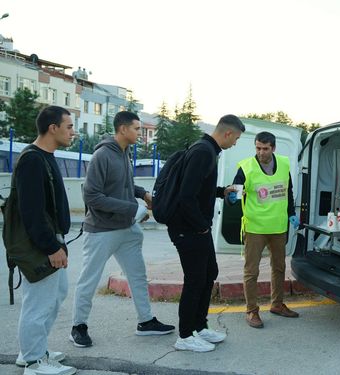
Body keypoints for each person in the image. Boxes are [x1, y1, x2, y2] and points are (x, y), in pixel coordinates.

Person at [70, 111, 174, 348]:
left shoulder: (124, 153)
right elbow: (92, 195)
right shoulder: (102, 155)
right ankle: (78, 326)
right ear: (123, 129)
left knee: (138, 276)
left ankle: (146, 322)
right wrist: (132, 209)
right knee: (89, 279)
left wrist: (142, 193)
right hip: (101, 230)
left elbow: (122, 184)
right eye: (137, 129)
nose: (140, 133)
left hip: (127, 230)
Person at [167, 114, 245, 352]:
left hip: (197, 228)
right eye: (236, 138)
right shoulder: (203, 152)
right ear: (227, 133)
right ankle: (185, 336)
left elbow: (200, 188)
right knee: (195, 280)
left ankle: (200, 327)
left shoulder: (207, 150)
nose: (235, 144)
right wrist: (201, 225)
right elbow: (186, 196)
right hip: (189, 229)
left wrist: (222, 191)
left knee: (209, 272)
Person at [15, 106, 77, 375]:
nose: (72, 132)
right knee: (39, 301)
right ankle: (33, 362)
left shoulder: (46, 157)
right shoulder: (32, 159)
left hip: (54, 239)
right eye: (69, 126)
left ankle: (32, 350)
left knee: (55, 295)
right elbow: (32, 211)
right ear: (53, 128)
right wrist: (51, 246)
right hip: (42, 243)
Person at [228, 131, 300, 329]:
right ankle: (251, 310)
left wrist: (291, 212)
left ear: (273, 148)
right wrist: (231, 197)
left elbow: (288, 190)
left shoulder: (284, 164)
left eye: (265, 148)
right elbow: (236, 190)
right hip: (255, 227)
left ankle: (277, 305)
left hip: (278, 226)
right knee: (251, 271)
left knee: (279, 268)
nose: (261, 152)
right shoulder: (246, 167)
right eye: (258, 148)